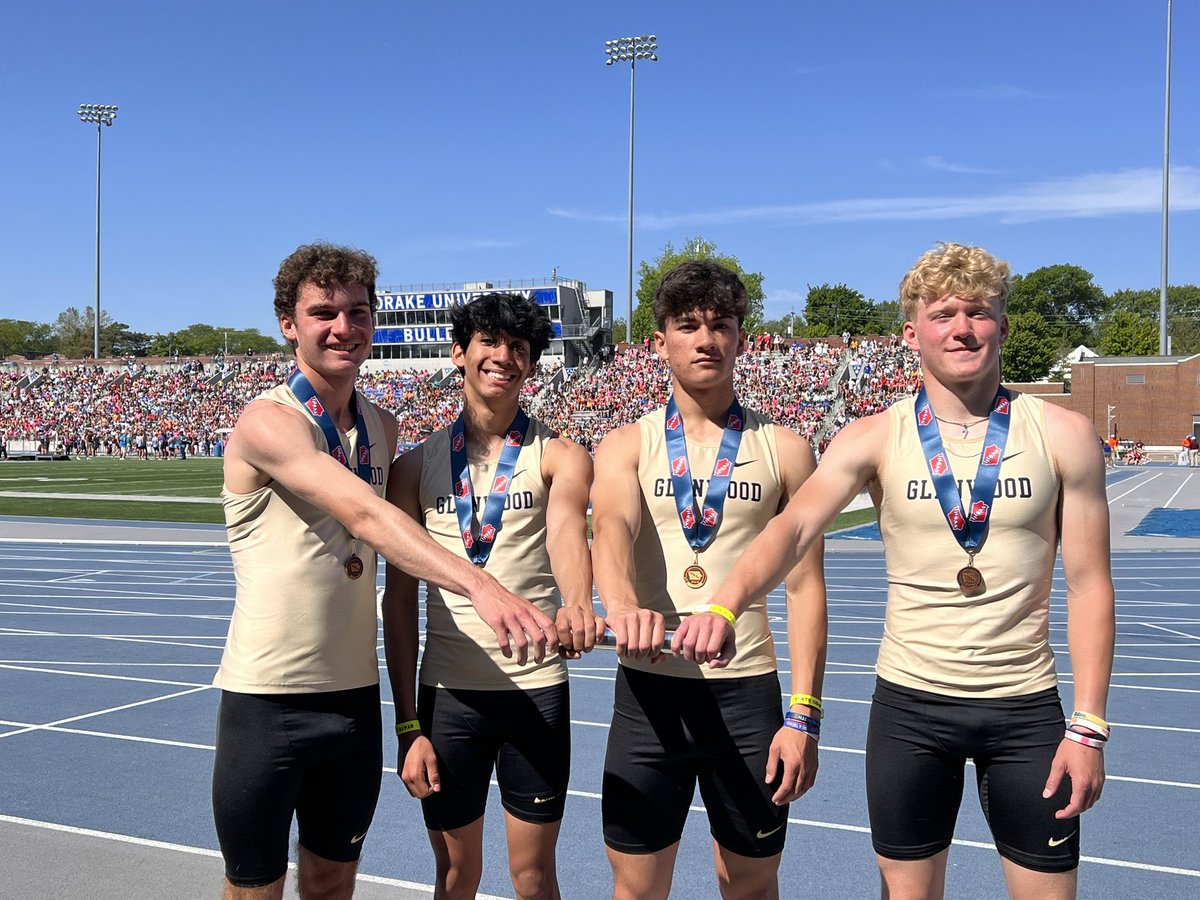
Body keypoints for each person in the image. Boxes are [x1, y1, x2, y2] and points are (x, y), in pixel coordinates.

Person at [713, 242, 1115, 900]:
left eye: (979, 313)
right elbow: (792, 527)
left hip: (1024, 710)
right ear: (912, 333)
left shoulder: (1064, 434)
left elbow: (1090, 584)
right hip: (910, 710)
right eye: (944, 314)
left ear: (1003, 327)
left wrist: (1090, 724)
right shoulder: (873, 435)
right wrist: (725, 605)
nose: (962, 328)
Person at [212, 244, 559, 900]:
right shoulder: (268, 422)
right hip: (267, 699)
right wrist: (478, 583)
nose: (343, 326)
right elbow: (364, 515)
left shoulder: (381, 426)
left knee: (331, 884)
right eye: (324, 313)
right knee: (254, 889)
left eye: (358, 312)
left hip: (350, 701)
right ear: (289, 324)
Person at [592, 260, 828, 900]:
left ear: (742, 338)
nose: (706, 339)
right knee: (637, 889)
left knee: (749, 885)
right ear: (658, 341)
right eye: (687, 325)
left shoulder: (785, 446)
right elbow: (610, 528)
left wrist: (803, 715)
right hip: (649, 694)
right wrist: (618, 606)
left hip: (747, 693)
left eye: (721, 325)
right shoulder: (624, 444)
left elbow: (807, 586)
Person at [383, 293, 604, 899]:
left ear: (530, 367)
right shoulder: (413, 468)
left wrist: (579, 602)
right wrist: (407, 725)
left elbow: (566, 533)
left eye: (520, 349)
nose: (504, 357)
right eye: (490, 341)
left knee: (533, 878)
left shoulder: (558, 455)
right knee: (456, 876)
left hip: (535, 696)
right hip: (448, 700)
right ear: (459, 351)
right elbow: (399, 604)